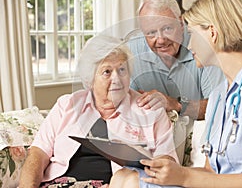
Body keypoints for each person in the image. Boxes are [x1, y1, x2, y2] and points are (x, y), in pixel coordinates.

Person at [110, 0, 242, 187]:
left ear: (212, 33)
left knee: (131, 182)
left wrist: (183, 176)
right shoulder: (220, 94)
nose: (189, 44)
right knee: (123, 176)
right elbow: (211, 172)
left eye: (191, 33)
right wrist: (173, 171)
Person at [18, 34, 178, 187]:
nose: (116, 79)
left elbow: (169, 164)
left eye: (122, 70)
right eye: (107, 72)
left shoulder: (150, 111)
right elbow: (38, 153)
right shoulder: (67, 105)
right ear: (90, 80)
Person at [127, 0, 224, 121]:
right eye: (151, 32)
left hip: (198, 134)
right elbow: (123, 103)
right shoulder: (130, 50)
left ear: (180, 23)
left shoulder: (204, 45)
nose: (161, 40)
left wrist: (176, 104)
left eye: (167, 28)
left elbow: (219, 106)